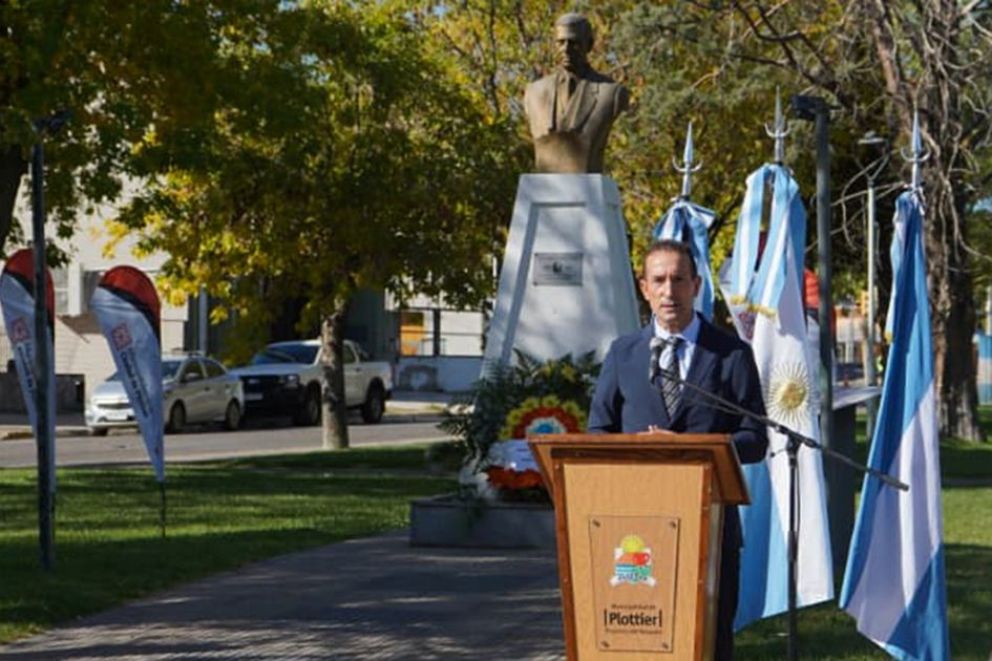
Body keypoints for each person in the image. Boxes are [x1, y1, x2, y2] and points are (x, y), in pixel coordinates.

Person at [588, 239, 768, 660]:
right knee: (645, 637)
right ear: (644, 288)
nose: (669, 291)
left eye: (678, 280)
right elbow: (598, 431)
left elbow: (755, 438)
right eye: (659, 280)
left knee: (708, 637)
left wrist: (691, 450)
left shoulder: (731, 354)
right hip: (636, 527)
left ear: (696, 285)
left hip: (712, 523)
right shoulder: (624, 353)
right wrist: (636, 450)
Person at [523, 13, 629, 173]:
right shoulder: (534, 92)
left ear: (589, 45)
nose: (566, 49)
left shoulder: (611, 93)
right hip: (545, 182)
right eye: (561, 42)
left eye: (574, 43)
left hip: (587, 179)